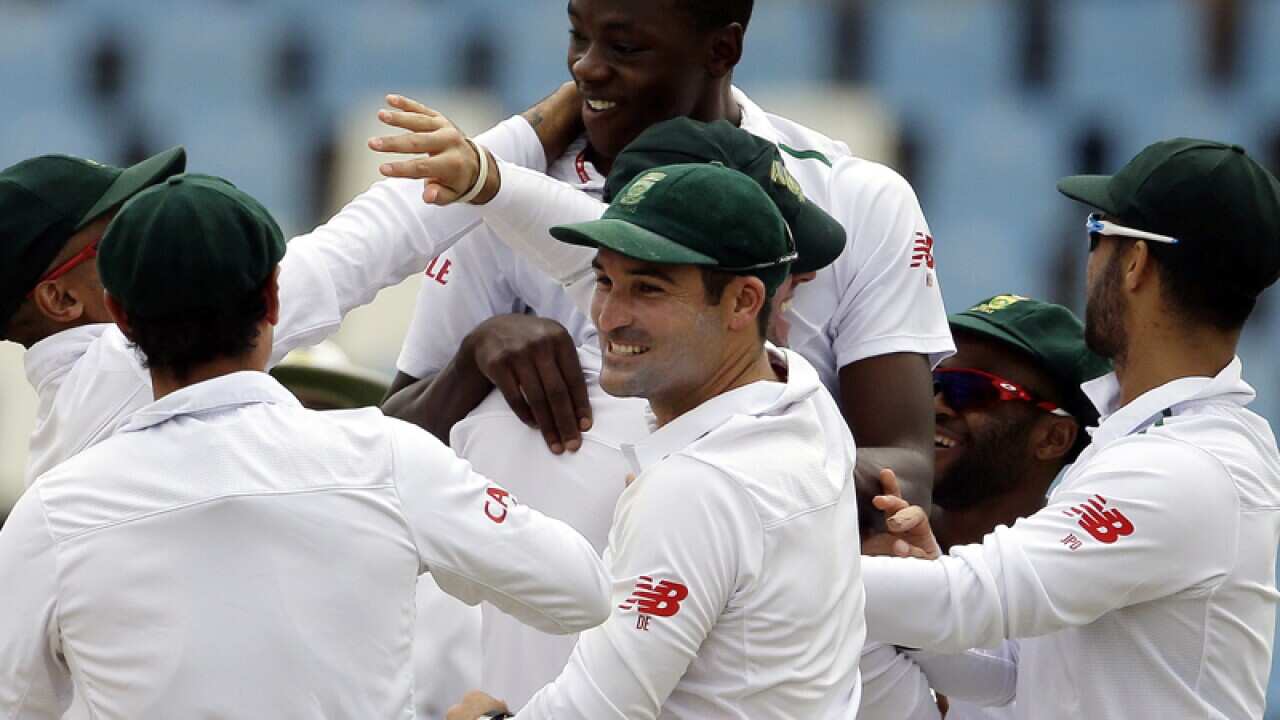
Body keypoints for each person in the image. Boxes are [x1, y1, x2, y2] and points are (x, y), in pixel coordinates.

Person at [0, 175, 611, 719]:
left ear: (120, 317)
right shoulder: (386, 456)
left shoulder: (50, 515)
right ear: (271, 297)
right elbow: (582, 591)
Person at [378, 0, 953, 514]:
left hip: (754, 601)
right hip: (543, 610)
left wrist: (704, 479)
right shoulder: (501, 197)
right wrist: (471, 362)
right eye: (578, 35)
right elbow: (389, 452)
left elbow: (907, 475)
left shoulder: (857, 200)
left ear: (723, 49)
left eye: (625, 46)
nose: (586, 67)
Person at [418, 118, 848, 713]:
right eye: (604, 280)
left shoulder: (697, 490)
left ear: (744, 301)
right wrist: (486, 177)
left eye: (648, 289)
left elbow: (597, 711)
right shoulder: (804, 398)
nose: (608, 317)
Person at [862, 138, 1280, 719]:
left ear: (1135, 263)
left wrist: (777, 566)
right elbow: (1014, 673)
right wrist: (924, 579)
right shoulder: (1159, 441)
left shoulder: (1185, 464)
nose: (1088, 261)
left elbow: (969, 603)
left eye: (1095, 232)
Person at [0, 89, 579, 487]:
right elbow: (360, 247)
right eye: (120, 234)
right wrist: (556, 114)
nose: (147, 236)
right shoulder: (116, 374)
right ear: (60, 299)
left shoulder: (75, 422)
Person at [857, 295, 1109, 720]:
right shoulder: (868, 530)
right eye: (932, 383)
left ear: (1053, 438)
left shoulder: (1073, 607)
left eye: (970, 390)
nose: (936, 405)